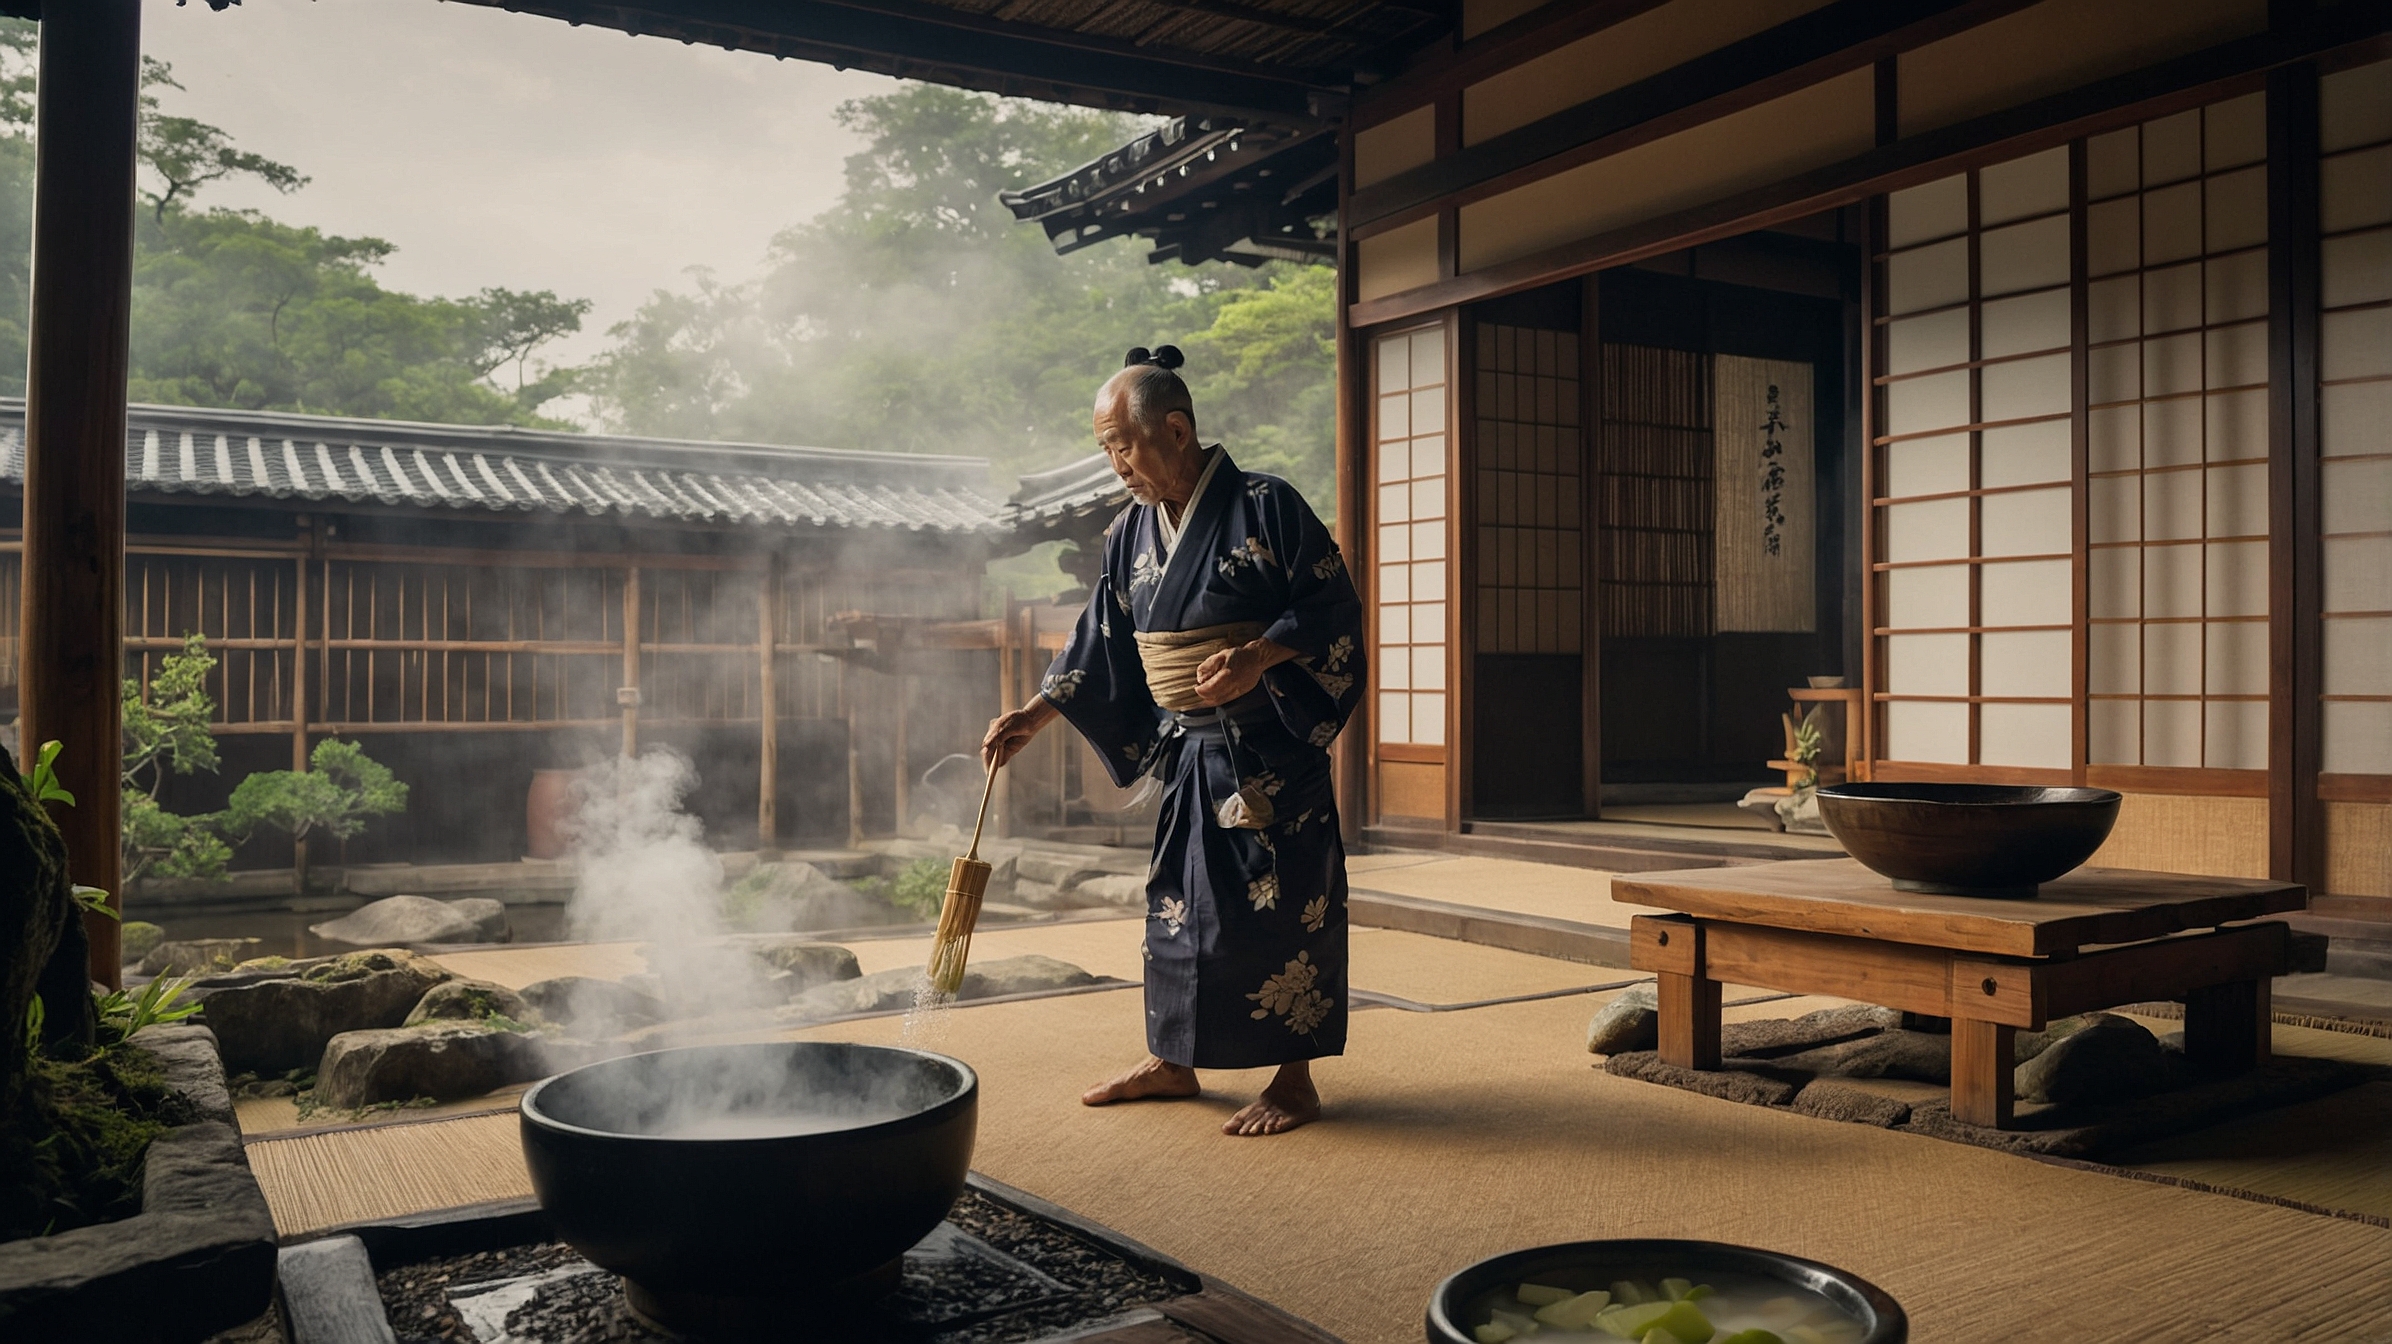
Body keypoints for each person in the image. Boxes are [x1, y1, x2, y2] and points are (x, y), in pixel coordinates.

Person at [982, 345, 1365, 1136]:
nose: (1116, 464)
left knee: (1286, 910)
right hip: (1193, 755)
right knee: (1176, 910)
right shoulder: (1129, 535)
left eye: (1123, 444)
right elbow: (1098, 641)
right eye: (1106, 449)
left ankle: (1294, 1081)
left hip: (1270, 752)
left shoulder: (1268, 505)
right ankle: (1174, 1059)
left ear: (1177, 429)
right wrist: (1032, 714)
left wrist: (1258, 657)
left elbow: (1332, 606)